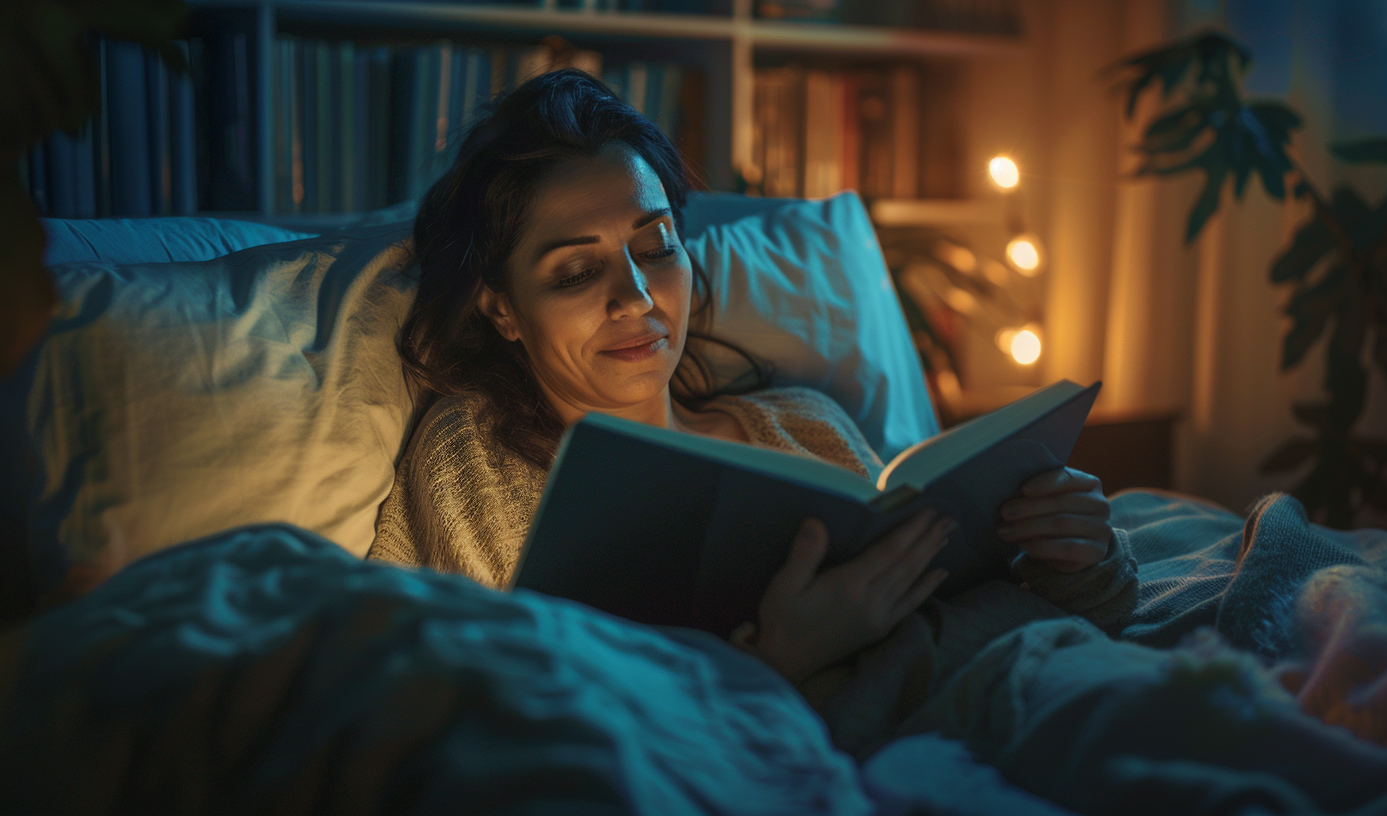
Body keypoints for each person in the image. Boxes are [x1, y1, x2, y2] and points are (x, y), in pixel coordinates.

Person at [366, 68, 1136, 688]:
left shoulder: (804, 424)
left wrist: (1079, 559)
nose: (635, 297)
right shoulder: (477, 466)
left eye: (657, 245)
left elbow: (1006, 630)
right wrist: (774, 663)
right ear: (503, 311)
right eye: (575, 272)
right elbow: (488, 733)